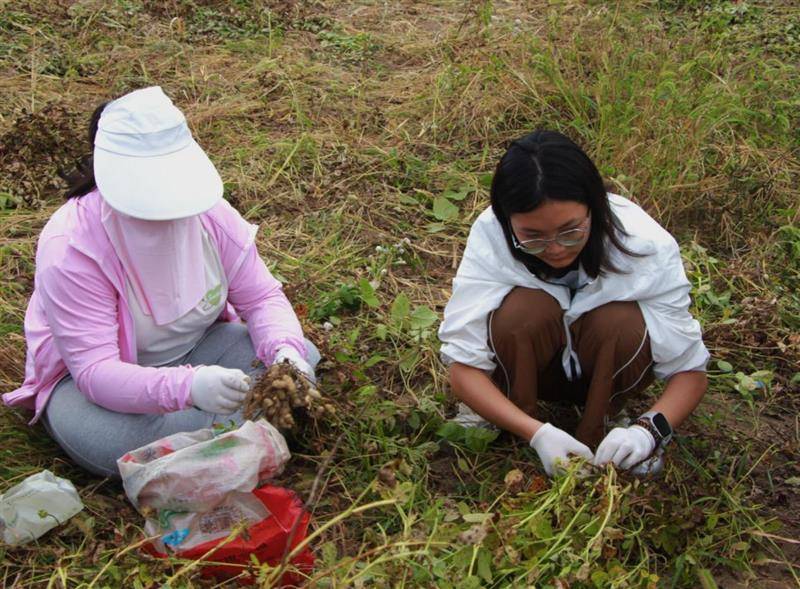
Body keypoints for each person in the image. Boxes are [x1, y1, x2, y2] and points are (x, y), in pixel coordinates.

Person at [2, 86, 319, 478]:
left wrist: (285, 354)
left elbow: (262, 299)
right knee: (116, 444)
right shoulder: (71, 247)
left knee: (301, 358)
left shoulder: (211, 216)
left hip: (200, 347)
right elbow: (96, 372)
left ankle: (208, 443)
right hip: (93, 387)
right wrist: (189, 388)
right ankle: (233, 433)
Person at [438, 130, 709, 477]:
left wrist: (649, 430)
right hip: (527, 365)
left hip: (604, 368)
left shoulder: (644, 245)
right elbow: (463, 365)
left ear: (594, 206)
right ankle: (507, 414)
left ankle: (608, 423)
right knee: (522, 312)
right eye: (532, 237)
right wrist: (536, 433)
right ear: (507, 221)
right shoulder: (492, 235)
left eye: (570, 231)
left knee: (621, 322)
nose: (555, 249)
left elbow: (689, 371)